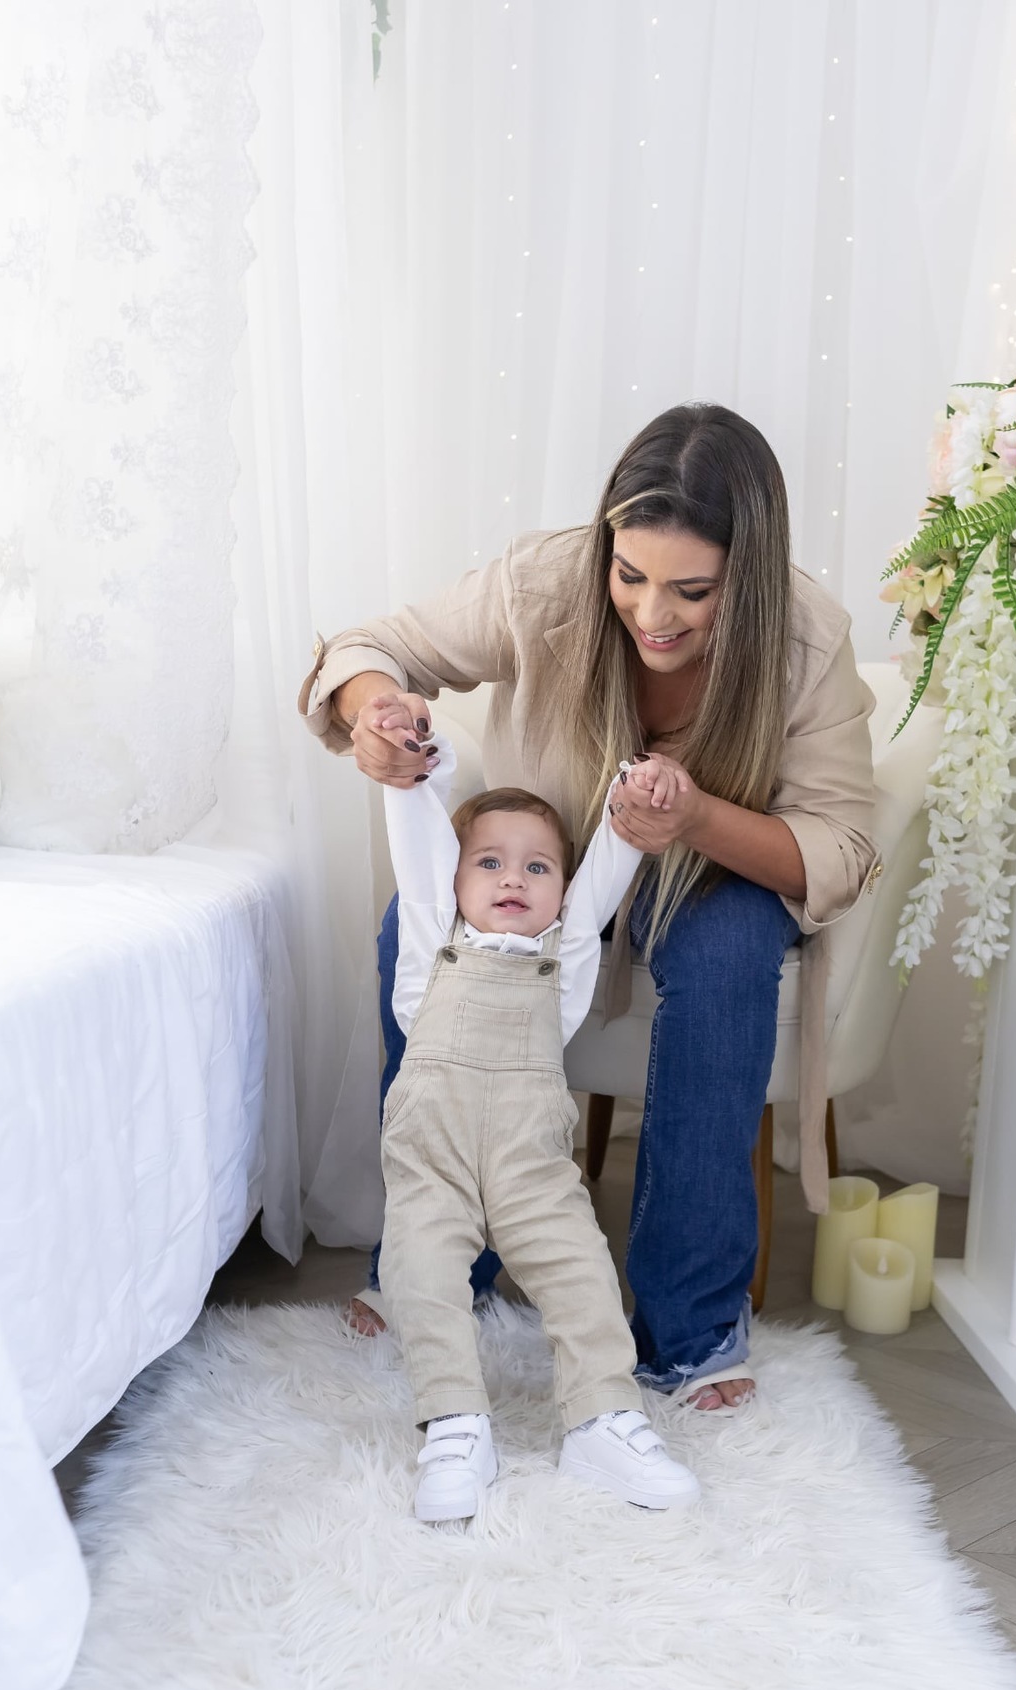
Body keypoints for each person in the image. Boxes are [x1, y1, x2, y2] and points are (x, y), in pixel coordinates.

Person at [299, 403, 878, 1412]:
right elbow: (369, 647)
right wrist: (373, 715)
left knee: (733, 950)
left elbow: (841, 845)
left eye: (692, 590)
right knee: (425, 929)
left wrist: (695, 814)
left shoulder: (807, 635)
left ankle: (691, 1328)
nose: (653, 614)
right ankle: (437, 1268)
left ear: (749, 575)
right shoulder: (543, 584)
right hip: (559, 872)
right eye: (631, 575)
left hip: (705, 875)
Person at [375, 723, 699, 1521]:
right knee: (418, 1271)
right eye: (488, 862)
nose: (512, 878)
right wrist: (416, 766)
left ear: (562, 887)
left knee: (580, 1270)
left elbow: (609, 868)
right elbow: (416, 848)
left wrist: (634, 798)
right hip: (434, 1153)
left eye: (537, 866)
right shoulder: (430, 940)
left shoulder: (569, 952)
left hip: (530, 1158)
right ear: (455, 880)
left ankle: (602, 1417)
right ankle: (455, 1424)